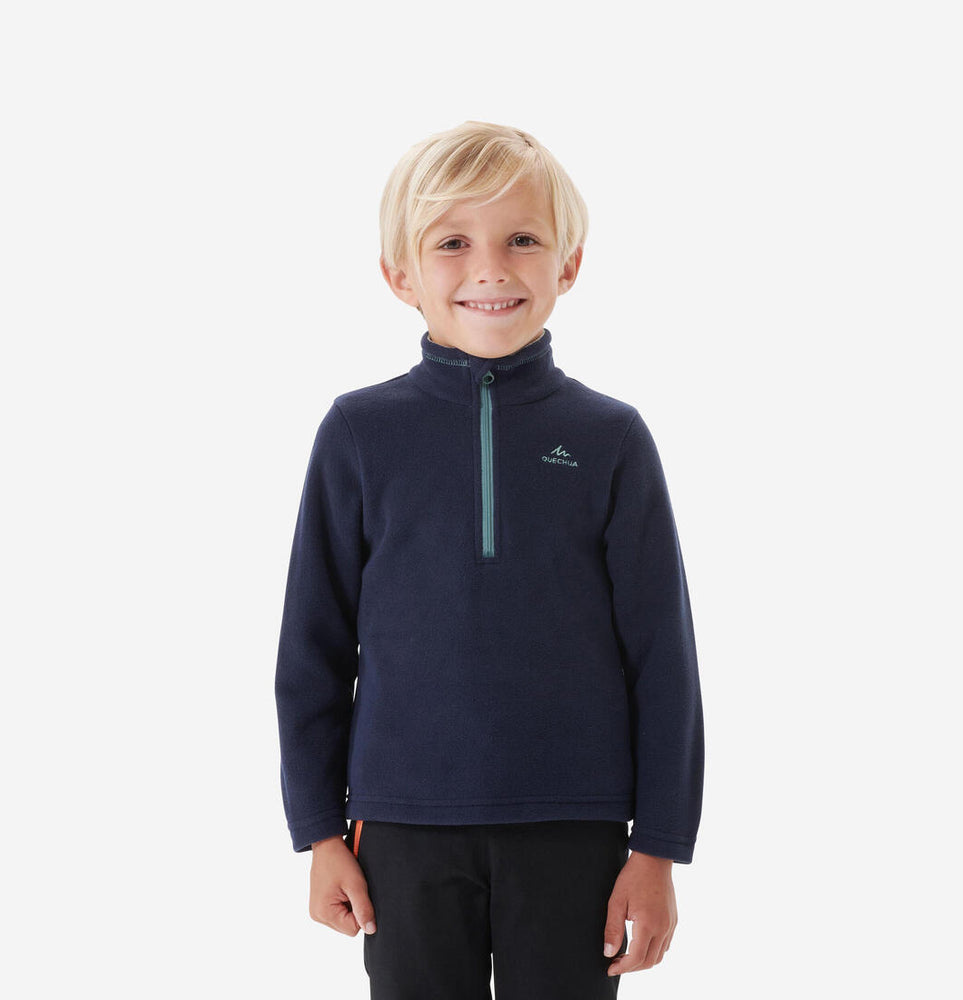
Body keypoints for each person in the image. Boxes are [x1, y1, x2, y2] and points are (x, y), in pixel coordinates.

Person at [274, 120, 705, 999]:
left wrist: (659, 847)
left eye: (522, 240)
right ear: (400, 275)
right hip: (401, 830)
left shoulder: (612, 439)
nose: (491, 268)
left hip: (577, 829)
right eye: (452, 243)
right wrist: (320, 832)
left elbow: (665, 660)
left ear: (568, 265)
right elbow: (311, 650)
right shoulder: (358, 434)